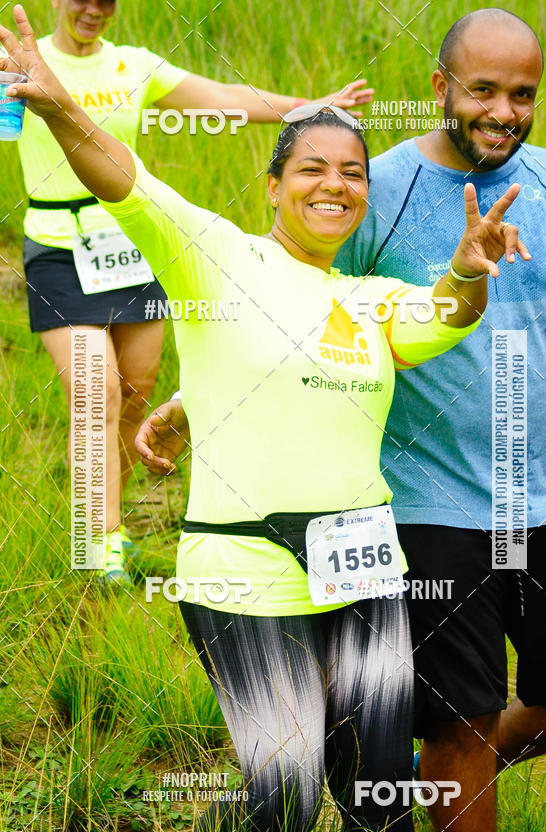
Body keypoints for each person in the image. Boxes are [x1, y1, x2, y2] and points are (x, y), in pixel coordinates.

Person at [0, 7, 530, 832]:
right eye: (312, 169)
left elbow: (445, 313)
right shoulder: (216, 254)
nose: (335, 185)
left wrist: (468, 270)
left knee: (376, 790)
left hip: (363, 562)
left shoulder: (372, 299)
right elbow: (126, 178)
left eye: (353, 174)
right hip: (241, 563)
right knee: (283, 794)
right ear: (274, 185)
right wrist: (57, 108)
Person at [332, 8, 546, 832]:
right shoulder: (389, 189)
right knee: (466, 715)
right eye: (482, 89)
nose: (504, 111)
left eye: (522, 94)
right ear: (442, 87)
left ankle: (427, 772)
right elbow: (312, 309)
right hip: (428, 506)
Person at [8, 0, 372, 586]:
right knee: (93, 391)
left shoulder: (134, 67)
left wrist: (313, 110)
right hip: (58, 248)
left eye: (108, 1)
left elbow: (225, 98)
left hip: (132, 245)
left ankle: (109, 518)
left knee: (135, 392)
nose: (94, 10)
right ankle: (96, 544)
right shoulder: (24, 58)